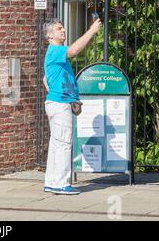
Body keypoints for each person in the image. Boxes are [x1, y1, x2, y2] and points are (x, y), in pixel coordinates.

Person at [43, 17, 102, 195]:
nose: (63, 31)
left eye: (63, 28)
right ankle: (61, 184)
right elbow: (75, 50)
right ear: (49, 35)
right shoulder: (55, 51)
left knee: (56, 144)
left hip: (58, 102)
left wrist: (71, 99)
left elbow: (45, 79)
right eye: (59, 28)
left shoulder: (55, 53)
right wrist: (92, 30)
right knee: (63, 144)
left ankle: (52, 182)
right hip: (59, 105)